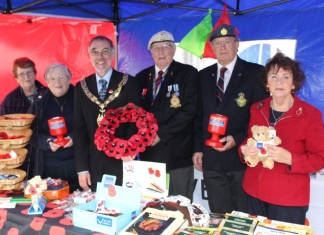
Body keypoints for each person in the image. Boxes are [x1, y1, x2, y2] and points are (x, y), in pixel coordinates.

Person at [240, 53, 324, 224]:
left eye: (285, 76)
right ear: (266, 83)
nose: (279, 82)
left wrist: (290, 158)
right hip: (254, 193)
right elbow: (250, 139)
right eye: (274, 76)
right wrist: (243, 151)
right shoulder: (257, 108)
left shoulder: (310, 115)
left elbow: (320, 158)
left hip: (288, 199)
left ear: (294, 83)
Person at [192, 24, 268, 213]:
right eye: (218, 43)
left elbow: (261, 116)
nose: (223, 47)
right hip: (211, 159)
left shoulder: (255, 73)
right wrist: (198, 149)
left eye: (227, 42)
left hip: (240, 159)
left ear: (237, 45)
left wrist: (238, 137)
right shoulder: (202, 76)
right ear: (212, 47)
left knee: (241, 215)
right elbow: (198, 116)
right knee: (217, 214)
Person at [136, 30, 198, 200]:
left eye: (166, 47)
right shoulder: (141, 77)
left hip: (177, 155)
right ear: (150, 52)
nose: (161, 52)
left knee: (180, 206)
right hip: (150, 155)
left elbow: (190, 110)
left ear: (174, 49)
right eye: (156, 48)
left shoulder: (188, 73)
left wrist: (160, 134)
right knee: (153, 208)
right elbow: (135, 113)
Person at [74, 36, 140, 191]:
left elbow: (135, 120)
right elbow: (79, 129)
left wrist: (128, 148)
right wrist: (82, 168)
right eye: (95, 52)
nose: (100, 57)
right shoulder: (81, 87)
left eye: (105, 51)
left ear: (112, 53)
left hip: (123, 161)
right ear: (89, 55)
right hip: (93, 164)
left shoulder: (129, 82)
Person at [28, 63, 79, 192]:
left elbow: (93, 126)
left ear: (70, 78)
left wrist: (74, 137)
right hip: (49, 169)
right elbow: (29, 133)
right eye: (53, 78)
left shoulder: (81, 97)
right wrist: (46, 142)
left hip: (79, 168)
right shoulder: (39, 102)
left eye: (62, 77)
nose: (58, 82)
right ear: (47, 81)